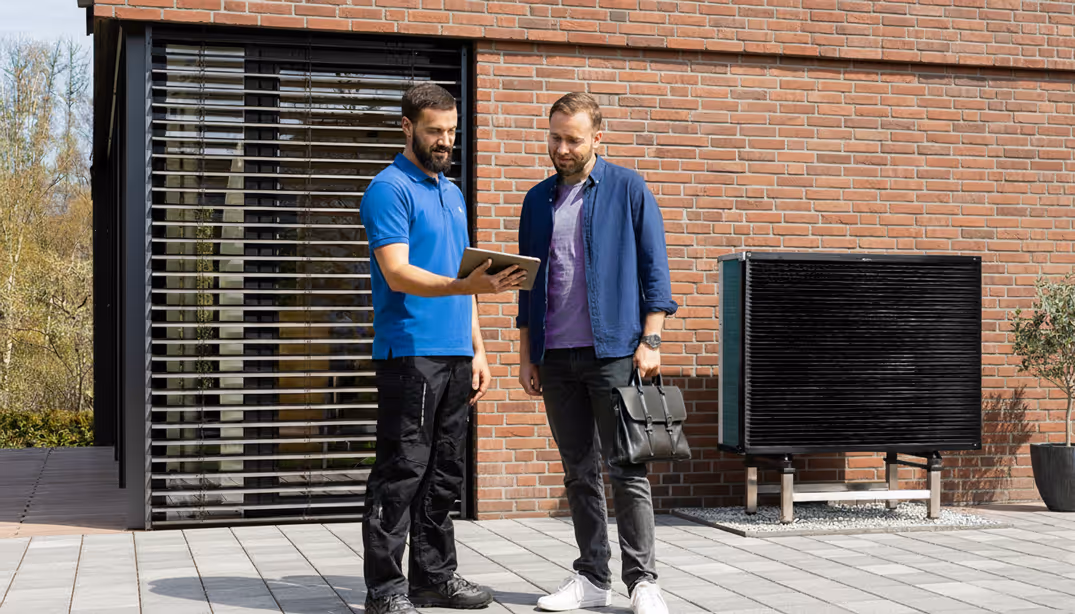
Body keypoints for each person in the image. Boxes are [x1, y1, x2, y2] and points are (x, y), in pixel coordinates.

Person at [360, 82, 526, 614]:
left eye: (451, 131)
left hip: (455, 354)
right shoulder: (388, 190)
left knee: (444, 472)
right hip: (410, 353)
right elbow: (398, 272)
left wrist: (478, 348)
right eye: (435, 131)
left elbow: (465, 277)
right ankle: (385, 591)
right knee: (402, 471)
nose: (445, 141)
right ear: (407, 127)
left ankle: (433, 577)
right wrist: (464, 286)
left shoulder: (451, 193)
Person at [516, 93, 678, 614]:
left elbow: (655, 268)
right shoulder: (536, 200)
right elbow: (526, 285)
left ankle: (643, 582)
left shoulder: (628, 188)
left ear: (597, 138)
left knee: (627, 469)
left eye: (573, 139)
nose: (562, 148)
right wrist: (526, 354)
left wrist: (651, 340)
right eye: (555, 137)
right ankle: (591, 577)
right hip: (555, 356)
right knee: (578, 472)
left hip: (613, 353)